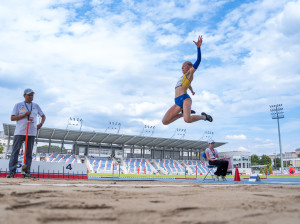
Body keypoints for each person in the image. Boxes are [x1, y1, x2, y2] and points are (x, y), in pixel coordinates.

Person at [162, 35, 213, 125]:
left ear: (190, 67)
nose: (182, 68)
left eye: (184, 66)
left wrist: (198, 48)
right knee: (165, 121)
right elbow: (187, 84)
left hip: (185, 99)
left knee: (187, 120)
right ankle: (184, 113)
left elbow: (198, 60)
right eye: (181, 67)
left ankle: (204, 117)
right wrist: (192, 90)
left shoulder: (189, 73)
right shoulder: (183, 78)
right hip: (177, 101)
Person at [7, 88, 46, 178]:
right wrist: (24, 115)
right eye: (29, 95)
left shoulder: (36, 105)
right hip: (20, 132)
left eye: (32, 95)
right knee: (15, 152)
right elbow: (12, 118)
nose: (31, 97)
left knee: (28, 154)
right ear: (24, 95)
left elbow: (43, 116)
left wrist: (41, 124)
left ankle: (25, 172)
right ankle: (12, 172)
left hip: (31, 132)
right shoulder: (18, 105)